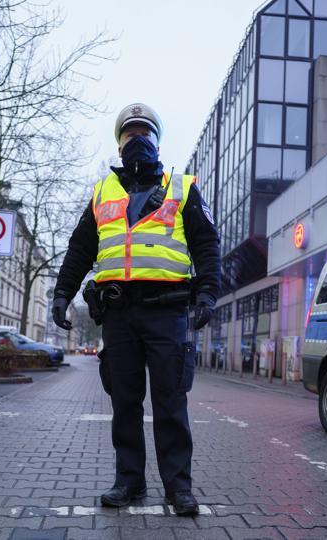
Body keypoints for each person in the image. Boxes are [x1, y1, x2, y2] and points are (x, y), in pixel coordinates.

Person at [51, 103, 221, 516]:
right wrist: (61, 293)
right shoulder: (102, 193)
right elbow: (79, 251)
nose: (137, 139)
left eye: (145, 133)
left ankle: (178, 487)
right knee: (125, 403)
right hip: (120, 314)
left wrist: (207, 294)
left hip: (167, 312)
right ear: (120, 142)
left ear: (157, 141)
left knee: (170, 403)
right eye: (130, 134)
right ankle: (129, 481)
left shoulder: (181, 188)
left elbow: (206, 246)